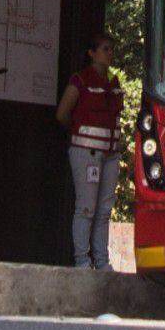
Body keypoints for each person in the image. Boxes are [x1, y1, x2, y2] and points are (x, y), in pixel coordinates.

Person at [54, 33, 123, 270]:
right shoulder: (80, 80)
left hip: (110, 154)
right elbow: (63, 114)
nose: (110, 53)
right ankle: (82, 261)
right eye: (105, 49)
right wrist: (79, 134)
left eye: (112, 49)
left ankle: (102, 261)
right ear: (91, 53)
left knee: (104, 210)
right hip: (87, 153)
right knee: (86, 208)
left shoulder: (113, 84)